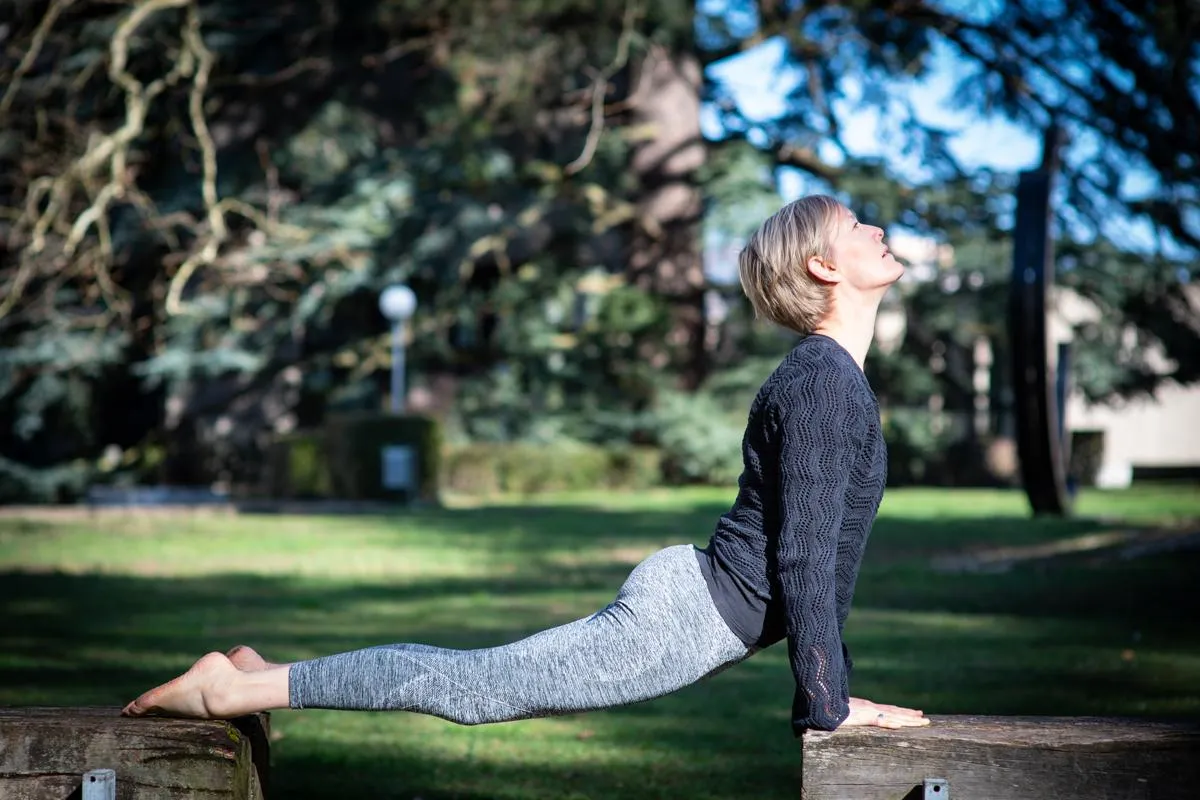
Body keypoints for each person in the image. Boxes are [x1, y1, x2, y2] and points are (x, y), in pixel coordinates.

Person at [122, 195, 930, 734]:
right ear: (825, 267)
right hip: (693, 616)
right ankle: (231, 691)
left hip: (700, 599)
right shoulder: (825, 384)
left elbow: (822, 555)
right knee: (478, 690)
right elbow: (802, 557)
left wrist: (832, 694)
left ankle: (263, 676)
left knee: (481, 681)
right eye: (855, 226)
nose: (874, 230)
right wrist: (826, 705)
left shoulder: (830, 379)